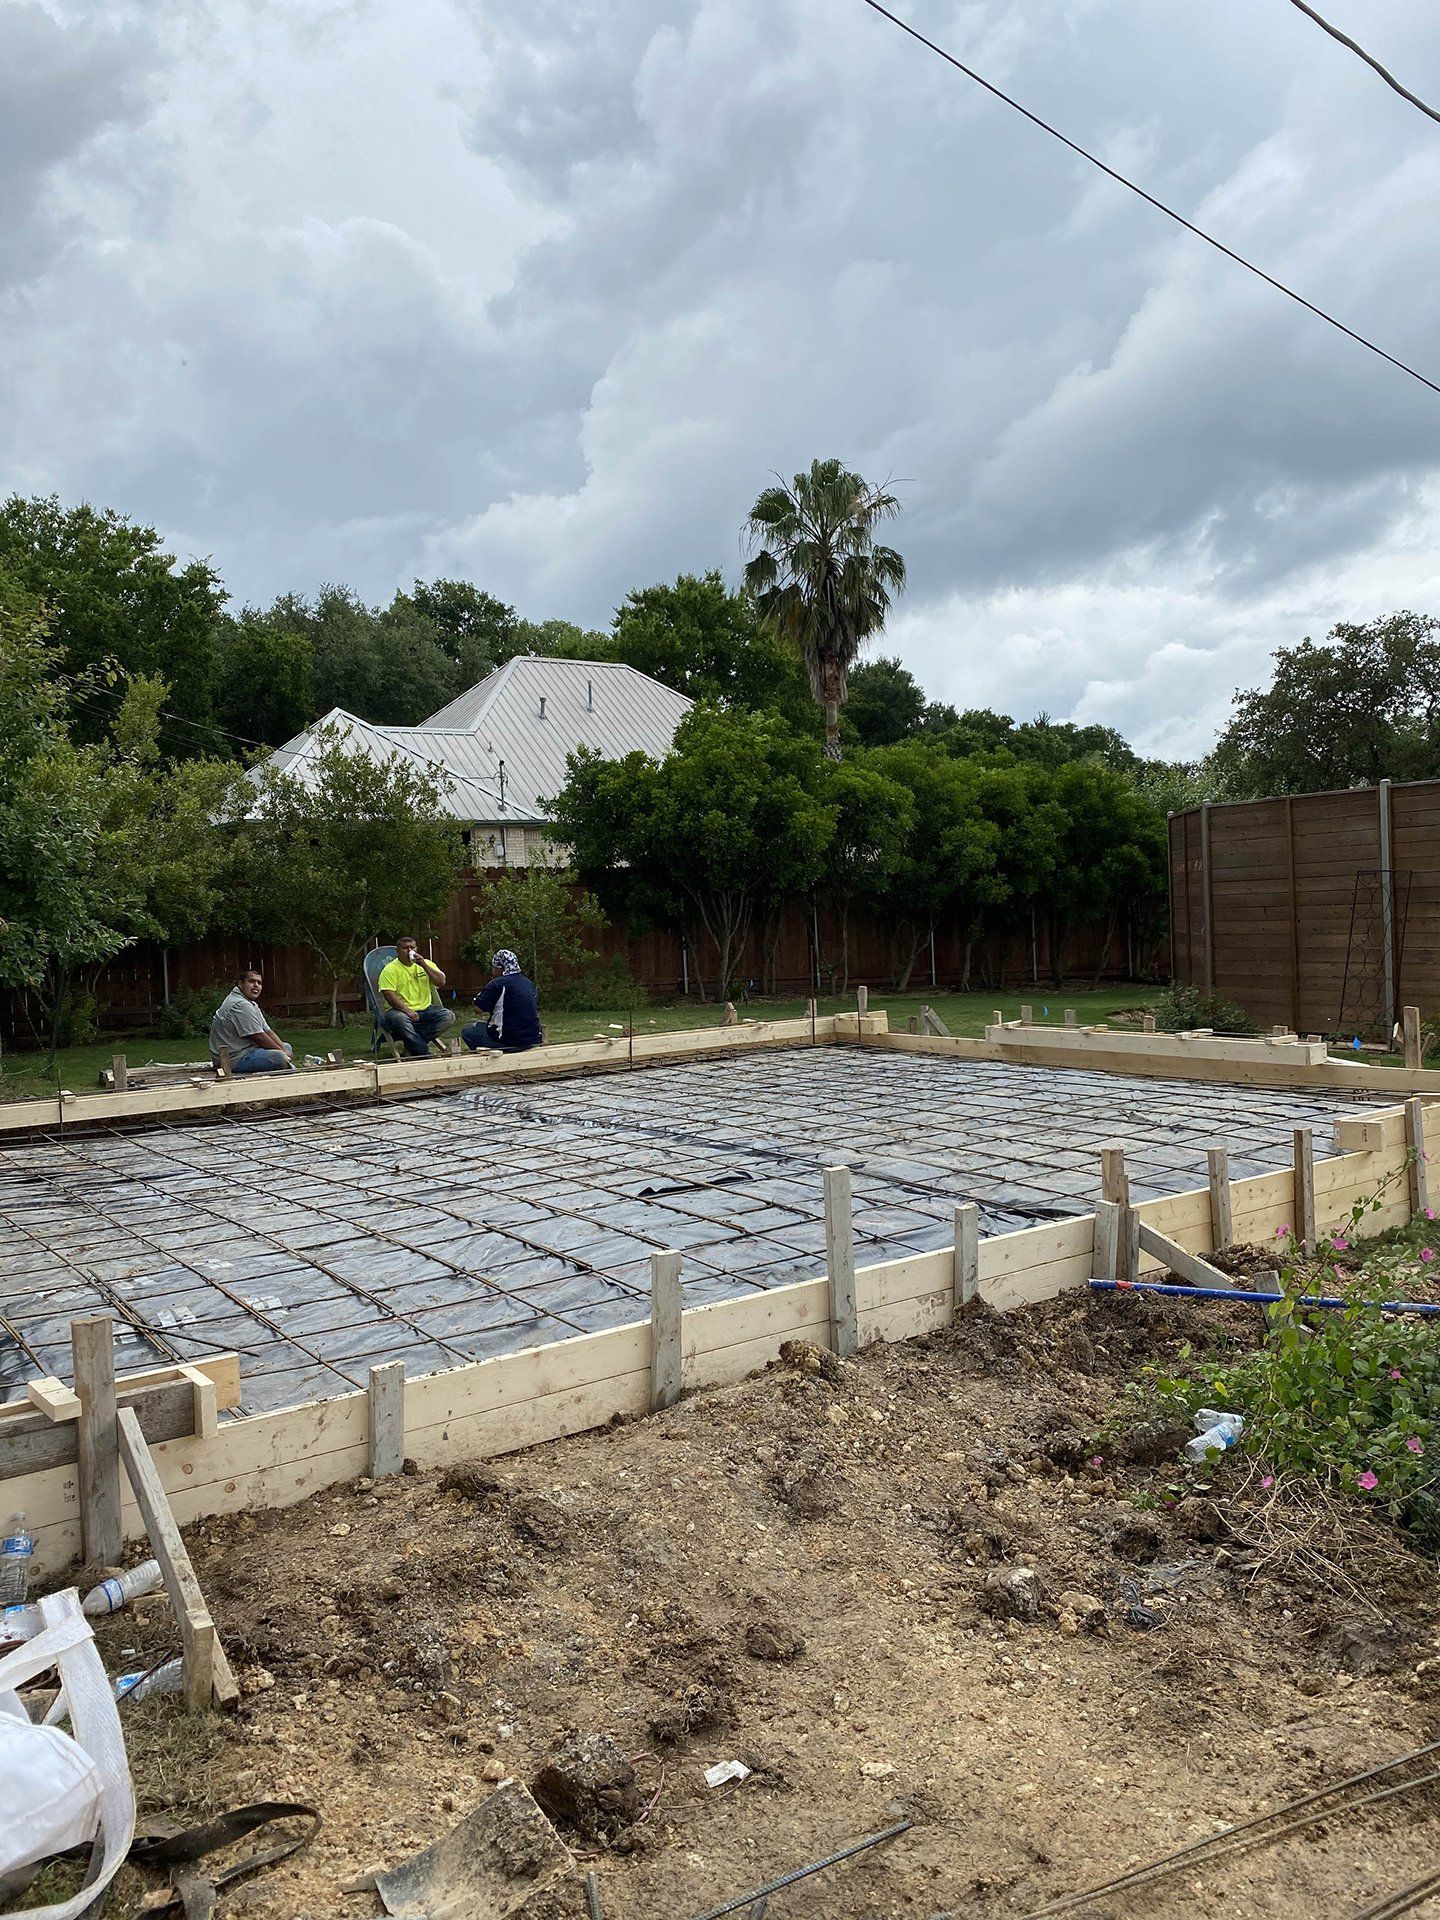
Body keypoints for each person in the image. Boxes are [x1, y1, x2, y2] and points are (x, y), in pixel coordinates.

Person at [377, 936, 456, 1057]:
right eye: (405, 948)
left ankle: (413, 1047)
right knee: (400, 1019)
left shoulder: (426, 964)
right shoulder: (390, 970)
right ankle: (423, 1051)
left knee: (448, 1016)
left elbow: (441, 982)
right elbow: (388, 995)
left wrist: (424, 965)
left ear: (416, 948)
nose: (409, 951)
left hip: (426, 1008)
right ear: (397, 951)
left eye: (412, 947)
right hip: (398, 1010)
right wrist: (407, 1010)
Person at [209, 968, 295, 1074]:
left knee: (286, 1046)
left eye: (259, 983)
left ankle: (286, 1065)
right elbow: (259, 1037)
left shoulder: (249, 1003)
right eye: (251, 981)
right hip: (232, 1059)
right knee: (279, 1057)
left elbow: (267, 1031)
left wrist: (283, 1050)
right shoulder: (240, 1004)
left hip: (247, 1051)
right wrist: (283, 1053)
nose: (256, 985)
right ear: (240, 984)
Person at [463, 949, 542, 1053]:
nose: (492, 971)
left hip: (506, 1040)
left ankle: (490, 1057)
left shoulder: (497, 984)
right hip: (532, 1039)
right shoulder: (528, 983)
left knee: (468, 1031)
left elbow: (478, 1009)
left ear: (500, 968)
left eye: (494, 967)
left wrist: (476, 999)